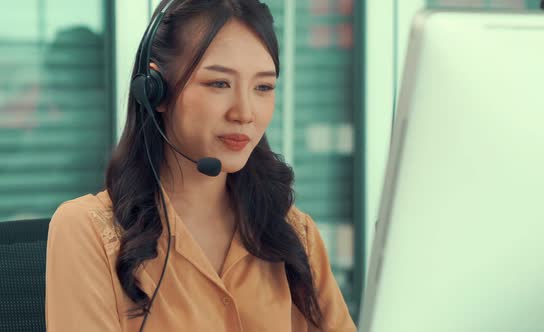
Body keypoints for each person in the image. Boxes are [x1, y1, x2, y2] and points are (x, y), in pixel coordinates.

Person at [44, 0, 357, 331]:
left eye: (263, 87)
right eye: (219, 83)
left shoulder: (294, 233)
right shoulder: (88, 232)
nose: (245, 112)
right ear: (155, 91)